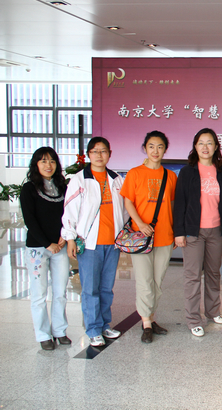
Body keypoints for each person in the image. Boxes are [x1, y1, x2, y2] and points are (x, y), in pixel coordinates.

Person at [62, 137, 127, 347]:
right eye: (95, 151)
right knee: (91, 289)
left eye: (103, 151)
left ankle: (105, 325)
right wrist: (70, 238)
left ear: (110, 153)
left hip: (112, 243)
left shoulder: (116, 179)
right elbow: (70, 211)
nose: (99, 155)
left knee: (107, 288)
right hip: (90, 244)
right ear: (88, 154)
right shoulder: (80, 180)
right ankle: (93, 329)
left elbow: (125, 210)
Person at [120, 131, 177, 343]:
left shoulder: (170, 176)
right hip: (141, 236)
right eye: (151, 146)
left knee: (157, 282)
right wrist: (141, 223)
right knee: (144, 281)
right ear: (145, 148)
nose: (155, 151)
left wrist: (175, 232)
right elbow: (128, 202)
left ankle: (151, 318)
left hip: (164, 236)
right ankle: (146, 323)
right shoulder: (134, 173)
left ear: (165, 149)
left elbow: (172, 205)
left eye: (160, 146)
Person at [174, 128, 222, 337]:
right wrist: (179, 232)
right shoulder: (187, 172)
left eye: (209, 143)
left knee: (214, 273)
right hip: (193, 232)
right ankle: (193, 319)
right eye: (201, 143)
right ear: (195, 146)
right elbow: (180, 202)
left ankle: (213, 312)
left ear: (216, 147)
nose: (205, 147)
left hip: (216, 230)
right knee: (193, 276)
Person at [21, 147, 70, 350]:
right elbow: (29, 220)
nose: (48, 165)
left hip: (60, 247)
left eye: (52, 161)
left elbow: (69, 214)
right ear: (36, 164)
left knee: (60, 292)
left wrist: (63, 237)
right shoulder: (29, 188)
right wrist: (47, 243)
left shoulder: (63, 187)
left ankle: (60, 331)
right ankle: (43, 335)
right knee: (39, 294)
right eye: (43, 161)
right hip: (37, 249)